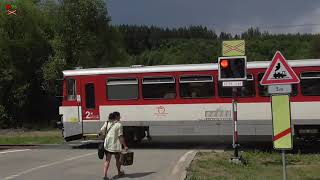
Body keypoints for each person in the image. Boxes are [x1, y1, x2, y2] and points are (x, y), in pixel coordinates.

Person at [99, 112, 128, 180]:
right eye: (119, 116)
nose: (120, 117)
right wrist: (125, 146)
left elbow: (100, 132)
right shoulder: (119, 125)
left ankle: (105, 175)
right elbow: (120, 137)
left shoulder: (107, 123)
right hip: (115, 146)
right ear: (116, 117)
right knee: (117, 159)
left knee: (107, 160)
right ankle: (119, 172)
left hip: (108, 145)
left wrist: (104, 136)